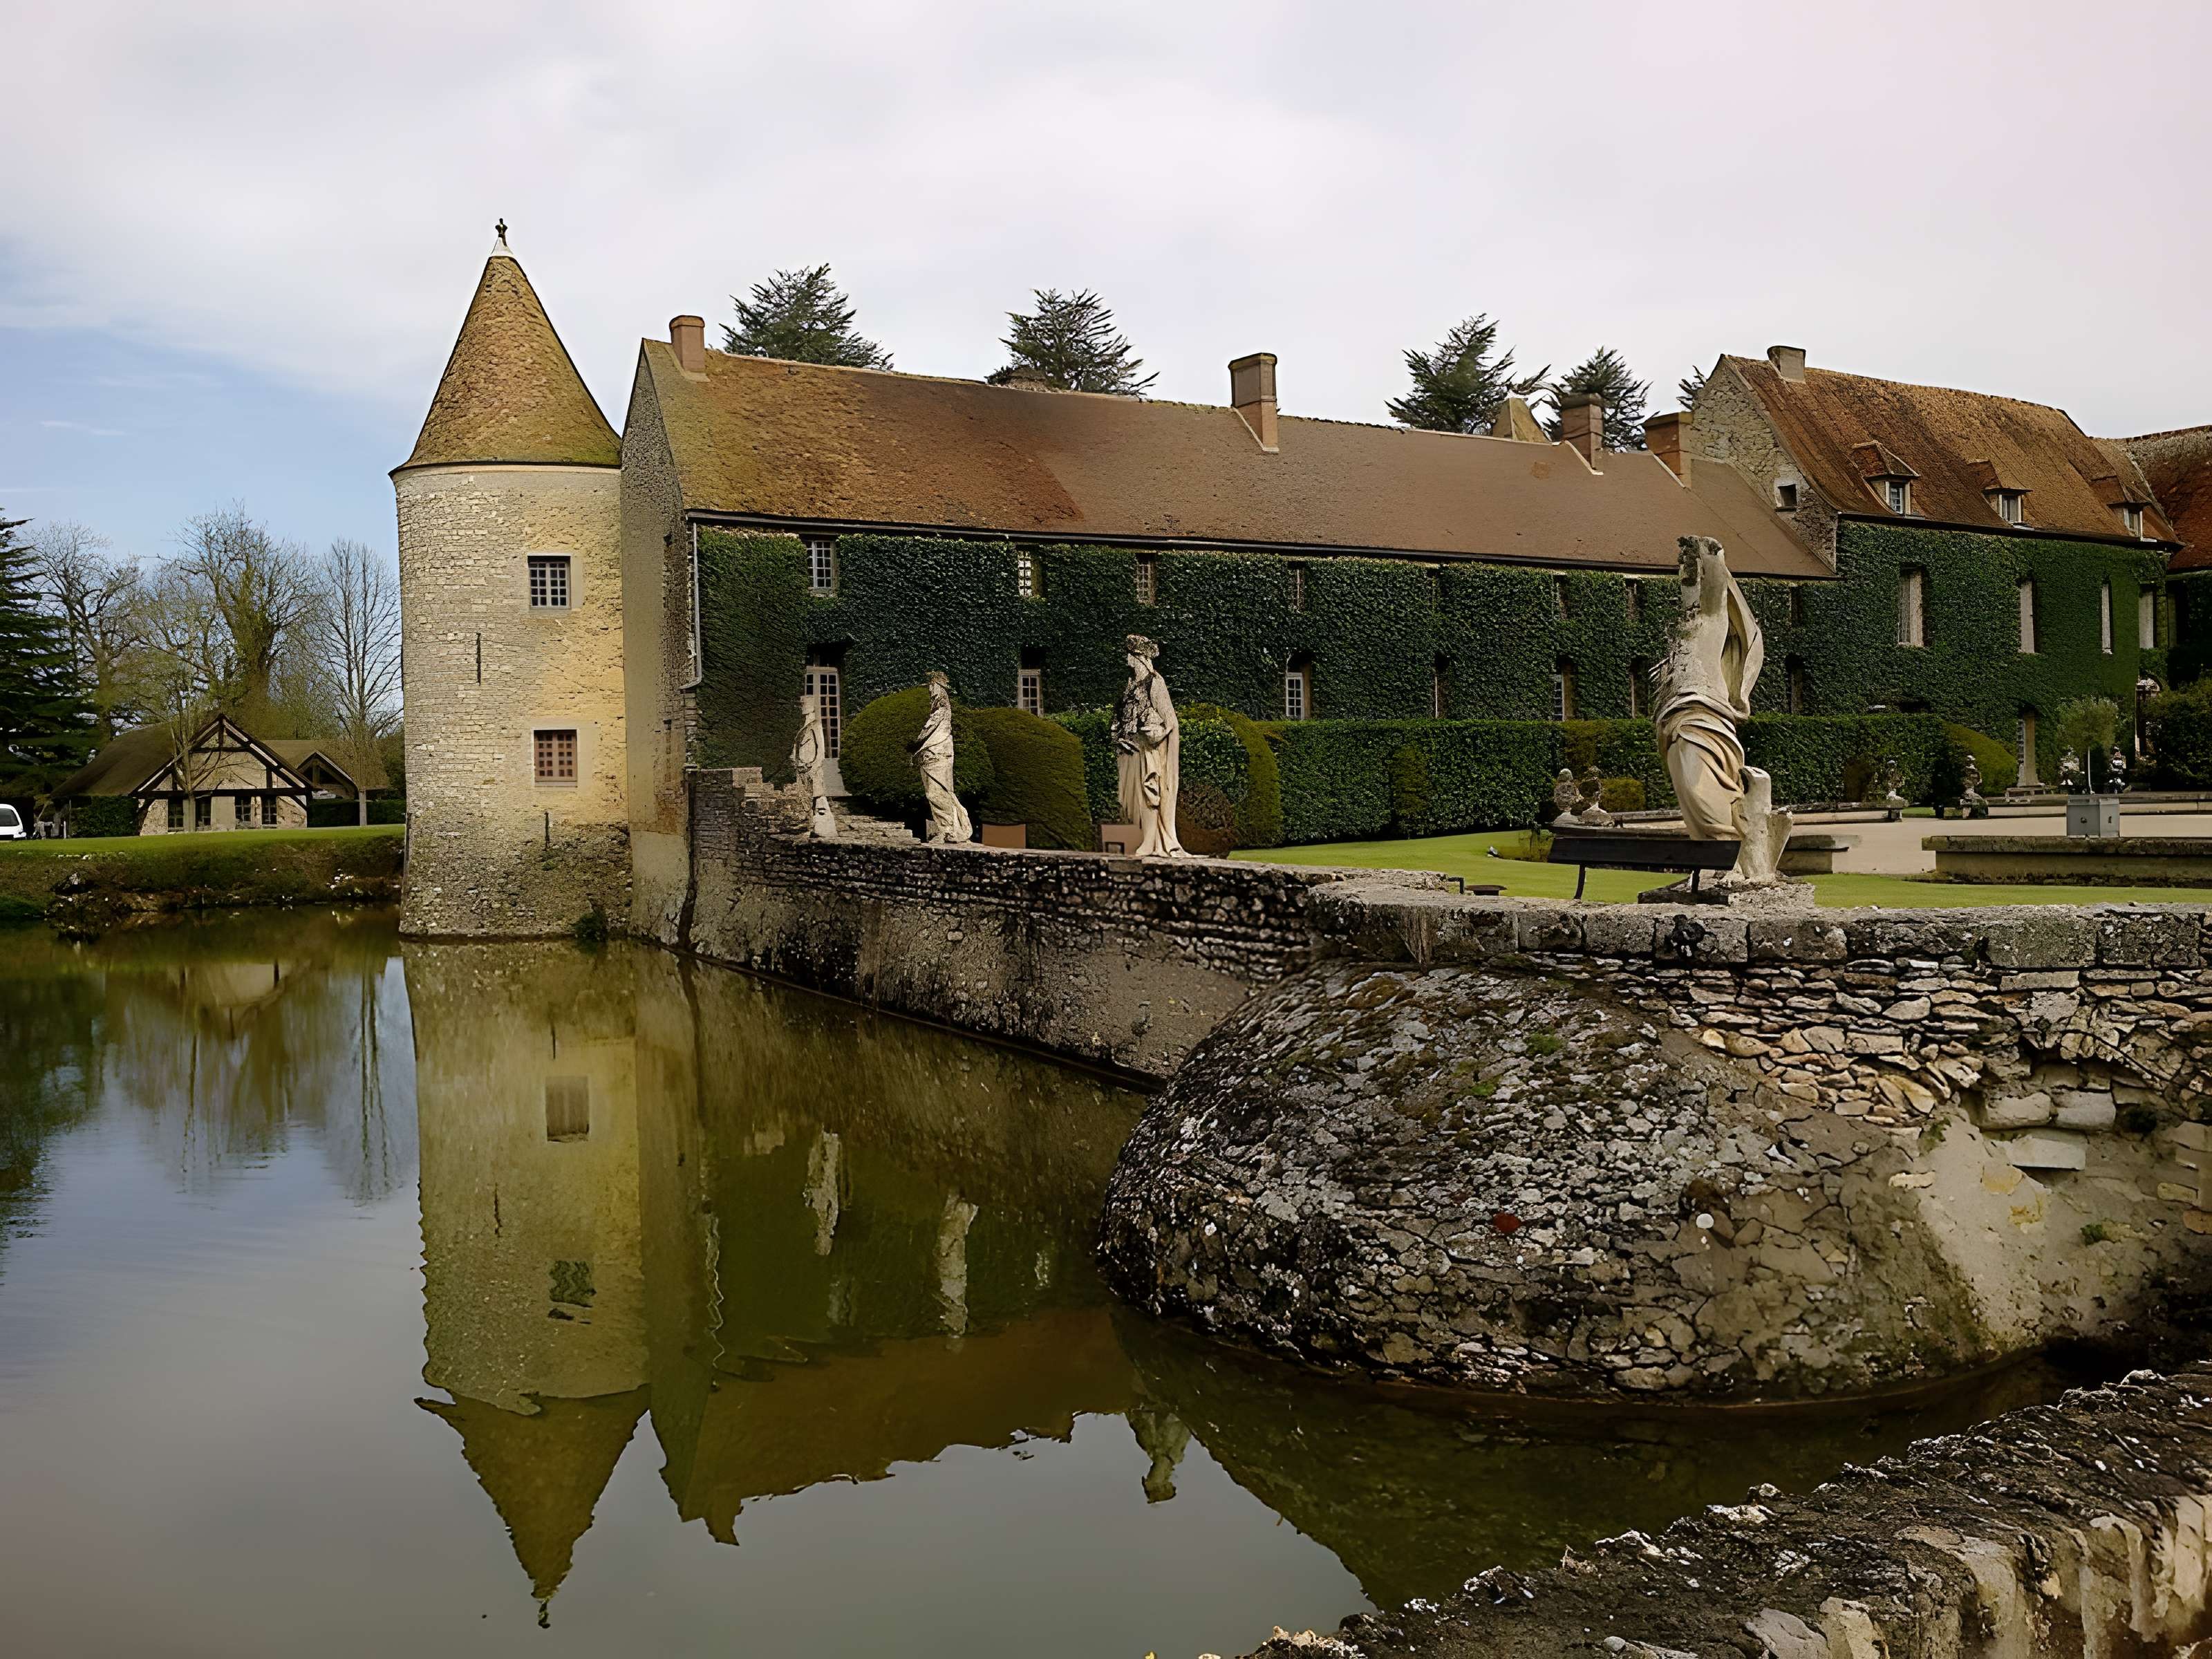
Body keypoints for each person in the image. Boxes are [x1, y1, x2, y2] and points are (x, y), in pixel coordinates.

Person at [1113, 635, 1186, 858]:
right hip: (1135, 748)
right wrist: (1118, 737)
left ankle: (1152, 842)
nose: (1128, 660)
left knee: (1150, 792)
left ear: (1140, 658)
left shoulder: (1155, 682)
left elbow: (1170, 721)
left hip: (1152, 750)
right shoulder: (1131, 686)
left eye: (1131, 655)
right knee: (1141, 795)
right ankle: (1149, 840)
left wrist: (1158, 732)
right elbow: (1119, 715)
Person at [909, 672, 972, 844]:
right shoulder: (937, 712)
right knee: (935, 793)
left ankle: (950, 829)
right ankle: (949, 829)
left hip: (939, 755)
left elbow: (927, 731)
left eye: (933, 689)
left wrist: (914, 742)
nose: (932, 692)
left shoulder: (942, 711)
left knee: (937, 793)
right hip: (933, 756)